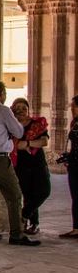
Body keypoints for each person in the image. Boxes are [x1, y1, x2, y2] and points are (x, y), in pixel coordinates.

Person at [0, 81, 38, 246]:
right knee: (14, 195)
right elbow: (18, 131)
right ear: (2, 93)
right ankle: (16, 234)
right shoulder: (2, 110)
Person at [9, 98, 50, 235]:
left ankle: (23, 215)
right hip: (21, 166)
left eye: (23, 108)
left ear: (28, 109)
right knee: (28, 195)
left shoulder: (36, 124)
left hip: (38, 164)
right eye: (17, 108)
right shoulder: (11, 127)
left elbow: (43, 141)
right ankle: (33, 224)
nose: (21, 111)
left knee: (44, 191)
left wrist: (27, 144)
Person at [59, 95, 78, 239]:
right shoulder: (75, 123)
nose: (72, 109)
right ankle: (76, 227)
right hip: (74, 164)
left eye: (74, 106)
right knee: (75, 197)